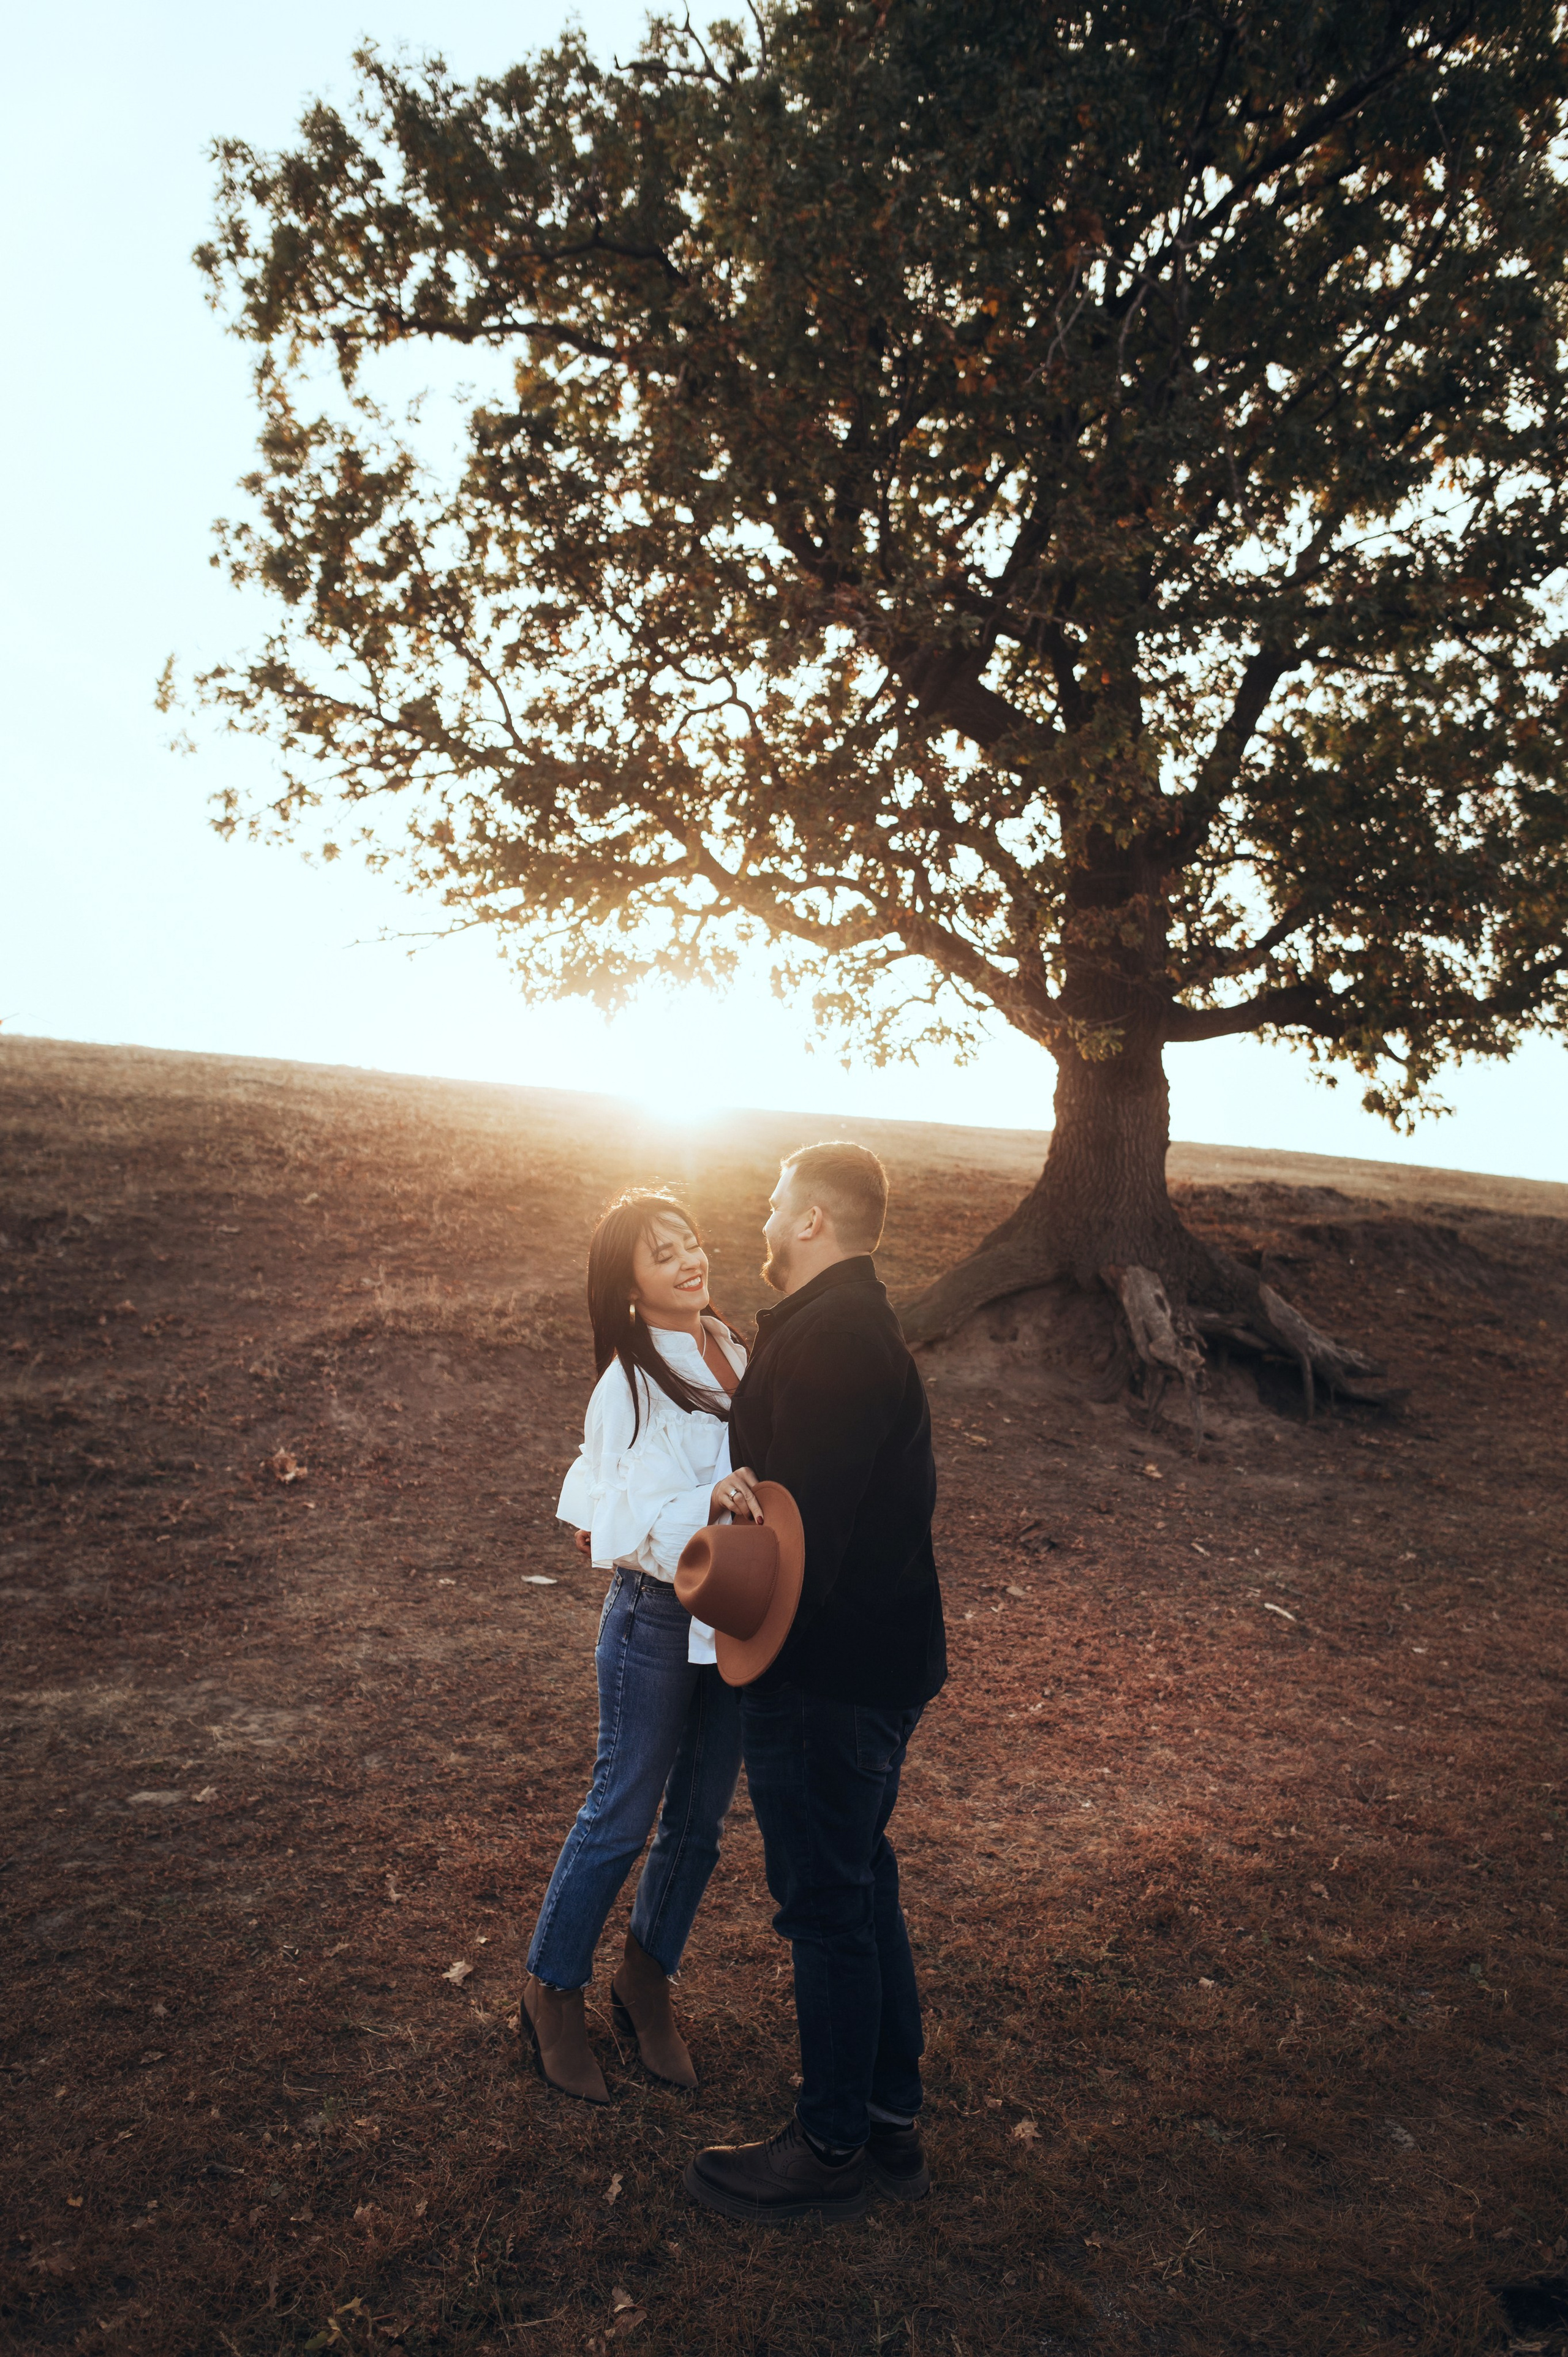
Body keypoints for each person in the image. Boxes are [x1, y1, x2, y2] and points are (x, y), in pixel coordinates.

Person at [684, 1142, 946, 2223]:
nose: (763, 1213)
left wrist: (744, 1528)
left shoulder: (839, 1338)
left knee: (827, 1903)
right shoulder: (838, 1325)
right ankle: (888, 2116)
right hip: (868, 1665)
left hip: (829, 1674)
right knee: (860, 1878)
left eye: (775, 1198)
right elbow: (806, 1486)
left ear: (813, 1223)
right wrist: (755, 1481)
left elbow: (815, 1543)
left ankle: (830, 2145)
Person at [521, 1190, 763, 2105]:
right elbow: (613, 1518)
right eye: (663, 1254)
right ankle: (551, 1991)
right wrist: (709, 1500)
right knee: (623, 1812)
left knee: (698, 1824)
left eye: (691, 1241)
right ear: (629, 1286)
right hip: (657, 1620)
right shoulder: (625, 1380)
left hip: (735, 1613)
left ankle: (645, 1983)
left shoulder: (732, 1346)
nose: (688, 1260)